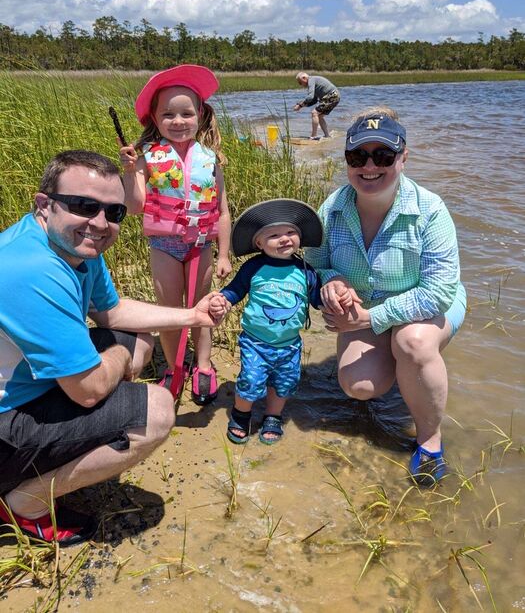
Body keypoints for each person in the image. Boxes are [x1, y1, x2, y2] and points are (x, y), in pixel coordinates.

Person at [0, 149, 228, 546]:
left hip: (26, 386)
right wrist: (118, 360)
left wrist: (193, 316)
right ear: (44, 205)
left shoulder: (75, 245)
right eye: (84, 206)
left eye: (114, 212)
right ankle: (24, 502)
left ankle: (79, 443)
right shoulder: (31, 269)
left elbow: (114, 311)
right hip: (6, 421)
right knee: (156, 411)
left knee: (138, 338)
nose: (100, 223)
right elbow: (86, 393)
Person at [305, 107, 467, 486]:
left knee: (412, 340)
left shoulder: (430, 210)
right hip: (368, 307)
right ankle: (411, 371)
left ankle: (429, 440)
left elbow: (438, 292)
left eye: (383, 156)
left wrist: (368, 321)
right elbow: (313, 265)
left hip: (427, 307)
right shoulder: (330, 210)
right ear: (347, 160)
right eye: (358, 157)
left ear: (404, 156)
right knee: (359, 387)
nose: (370, 166)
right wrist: (333, 282)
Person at [120, 65, 232, 404]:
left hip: (201, 245)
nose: (178, 121)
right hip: (164, 245)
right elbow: (135, 205)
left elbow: (223, 211)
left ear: (200, 115)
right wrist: (128, 170)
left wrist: (224, 253)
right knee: (169, 310)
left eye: (186, 113)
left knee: (202, 309)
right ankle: (174, 366)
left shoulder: (210, 159)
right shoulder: (147, 159)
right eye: (168, 114)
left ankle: (202, 365)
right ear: (154, 118)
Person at [211, 199, 352, 445]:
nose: (285, 239)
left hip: (289, 345)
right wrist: (222, 301)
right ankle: (241, 413)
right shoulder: (254, 267)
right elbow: (235, 290)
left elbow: (317, 299)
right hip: (255, 342)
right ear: (258, 242)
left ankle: (273, 416)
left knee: (283, 383)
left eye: (291, 232)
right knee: (250, 380)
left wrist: (335, 303)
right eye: (274, 235)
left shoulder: (305, 270)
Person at [293, 72, 340, 139]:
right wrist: (302, 106)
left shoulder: (311, 80)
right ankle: (327, 136)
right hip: (335, 96)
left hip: (332, 95)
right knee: (319, 116)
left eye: (300, 82)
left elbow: (310, 97)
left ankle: (313, 136)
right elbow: (314, 100)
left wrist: (300, 105)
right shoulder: (314, 82)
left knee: (314, 113)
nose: (301, 85)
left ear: (304, 78)